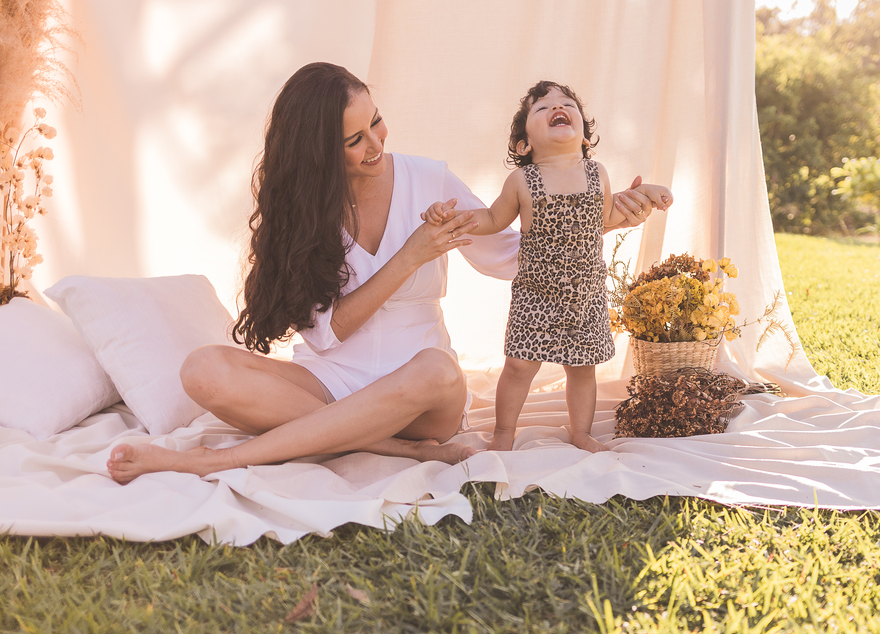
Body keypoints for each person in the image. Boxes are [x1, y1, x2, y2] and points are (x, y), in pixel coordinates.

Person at [106, 64, 653, 484]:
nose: (376, 144)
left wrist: (600, 220)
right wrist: (410, 255)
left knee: (438, 369)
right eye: (355, 140)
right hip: (328, 384)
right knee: (203, 369)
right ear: (318, 153)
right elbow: (327, 335)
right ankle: (392, 448)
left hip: (422, 394)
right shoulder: (302, 212)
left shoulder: (429, 179)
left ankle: (217, 461)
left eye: (375, 121)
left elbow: (509, 254)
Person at [422, 81, 672, 453]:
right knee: (519, 367)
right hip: (535, 294)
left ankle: (581, 432)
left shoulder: (597, 174)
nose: (558, 108)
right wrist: (452, 217)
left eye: (567, 104)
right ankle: (503, 431)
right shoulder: (522, 180)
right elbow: (492, 218)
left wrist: (646, 193)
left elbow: (607, 217)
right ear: (525, 145)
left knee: (583, 368)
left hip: (585, 296)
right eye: (542, 108)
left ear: (584, 137)